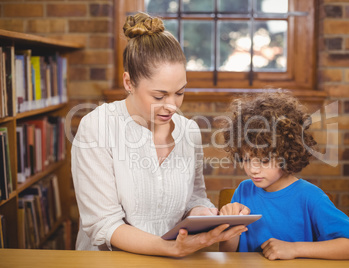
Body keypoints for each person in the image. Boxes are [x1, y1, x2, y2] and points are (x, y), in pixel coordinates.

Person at [71, 12, 247, 256]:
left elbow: (195, 198)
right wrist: (170, 248)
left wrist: (205, 216)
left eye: (180, 92)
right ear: (128, 82)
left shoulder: (188, 131)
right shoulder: (97, 128)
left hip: (175, 258)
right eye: (159, 96)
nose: (172, 105)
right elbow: (104, 224)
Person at [218, 92, 349, 260]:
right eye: (246, 159)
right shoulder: (244, 190)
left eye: (264, 160)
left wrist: (295, 249)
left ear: (287, 154)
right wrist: (230, 225)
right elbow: (228, 252)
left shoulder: (310, 197)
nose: (253, 169)